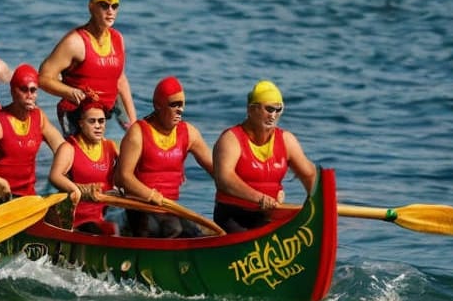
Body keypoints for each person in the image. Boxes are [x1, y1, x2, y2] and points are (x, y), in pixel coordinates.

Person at [115, 76, 213, 238]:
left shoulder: (189, 133)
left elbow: (216, 170)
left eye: (181, 104)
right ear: (158, 105)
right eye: (174, 104)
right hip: (140, 207)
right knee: (174, 230)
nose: (180, 110)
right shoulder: (138, 133)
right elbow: (122, 177)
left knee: (194, 233)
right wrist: (151, 195)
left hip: (169, 207)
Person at [213, 80, 317, 232]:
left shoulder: (287, 140)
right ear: (251, 110)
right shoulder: (231, 139)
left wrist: (318, 208)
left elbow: (309, 175)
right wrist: (259, 198)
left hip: (267, 216)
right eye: (269, 109)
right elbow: (224, 180)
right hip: (233, 215)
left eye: (278, 109)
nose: (273, 115)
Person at [38, 0, 137, 135]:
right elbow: (43, 78)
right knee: (82, 156)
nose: (110, 11)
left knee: (134, 142)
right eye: (104, 5)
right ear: (91, 7)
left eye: (115, 6)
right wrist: (68, 92)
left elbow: (120, 80)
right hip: (77, 112)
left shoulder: (118, 39)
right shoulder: (75, 42)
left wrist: (134, 123)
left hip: (107, 111)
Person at [0, 63, 65, 207]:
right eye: (24, 90)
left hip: (28, 197)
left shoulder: (39, 117)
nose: (29, 95)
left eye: (33, 90)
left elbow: (63, 147)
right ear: (12, 91)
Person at [48, 98, 120, 235]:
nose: (98, 126)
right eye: (92, 121)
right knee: (105, 230)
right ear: (81, 123)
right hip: (75, 218)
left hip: (100, 215)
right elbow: (55, 176)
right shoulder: (69, 148)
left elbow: (127, 174)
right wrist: (78, 190)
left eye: (101, 121)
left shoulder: (111, 147)